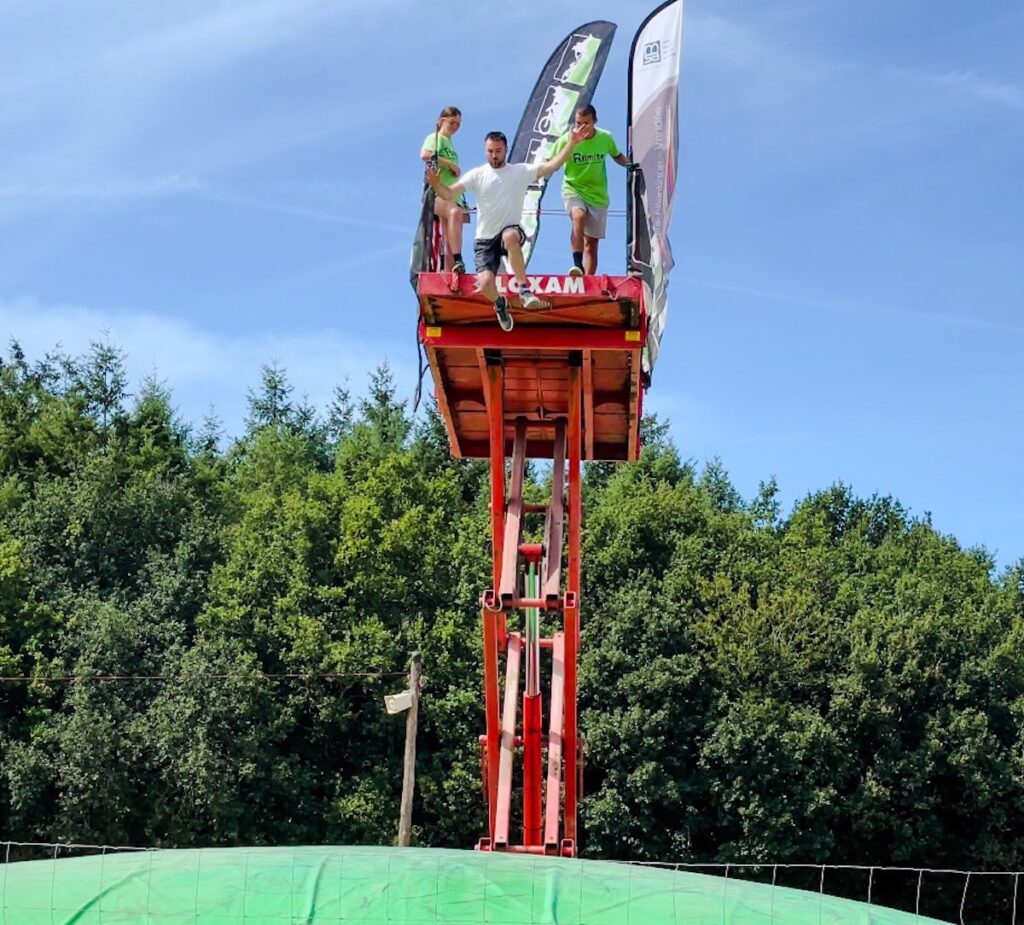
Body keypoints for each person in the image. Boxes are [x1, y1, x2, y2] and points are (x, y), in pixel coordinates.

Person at [427, 123, 593, 332]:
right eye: (490, 151)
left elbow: (552, 166)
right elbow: (449, 193)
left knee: (511, 235)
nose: (494, 155)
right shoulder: (477, 175)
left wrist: (571, 142)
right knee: (486, 284)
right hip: (484, 240)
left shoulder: (519, 171)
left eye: (498, 151)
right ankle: (500, 304)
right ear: (485, 151)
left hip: (508, 231)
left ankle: (524, 290)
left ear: (505, 150)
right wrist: (435, 184)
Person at [550, 104, 628, 276]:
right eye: (578, 123)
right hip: (573, 188)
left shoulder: (605, 138)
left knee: (591, 245)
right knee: (578, 216)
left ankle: (588, 280)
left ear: (594, 121)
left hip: (598, 195)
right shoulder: (567, 140)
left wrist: (631, 164)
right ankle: (577, 264)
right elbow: (549, 161)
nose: (581, 128)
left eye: (586, 123)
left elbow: (617, 156)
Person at [420, 106, 469, 273]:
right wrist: (450, 164)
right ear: (442, 121)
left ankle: (452, 275)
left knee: (451, 240)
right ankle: (458, 259)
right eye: (452, 122)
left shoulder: (450, 143)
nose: (455, 126)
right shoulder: (436, 138)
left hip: (453, 194)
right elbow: (425, 155)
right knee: (454, 213)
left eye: (458, 124)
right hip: (438, 193)